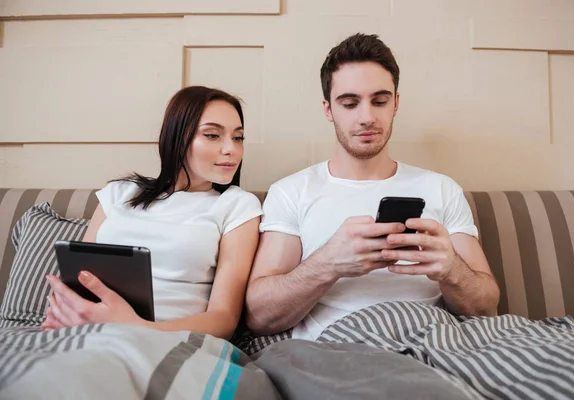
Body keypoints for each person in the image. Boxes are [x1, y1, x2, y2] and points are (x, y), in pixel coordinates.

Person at [244, 33, 500, 341]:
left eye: (379, 101)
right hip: (340, 349)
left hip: (437, 342)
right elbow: (259, 317)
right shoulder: (292, 192)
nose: (367, 117)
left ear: (396, 104)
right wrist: (329, 263)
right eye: (350, 103)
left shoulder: (442, 189)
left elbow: (487, 308)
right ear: (328, 110)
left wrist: (451, 270)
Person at [42, 86, 263, 340]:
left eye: (238, 137)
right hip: (88, 333)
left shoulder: (237, 206)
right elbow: (79, 278)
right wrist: (64, 310)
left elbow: (224, 319)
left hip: (164, 340)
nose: (231, 149)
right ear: (177, 137)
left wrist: (136, 327)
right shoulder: (118, 194)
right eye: (213, 135)